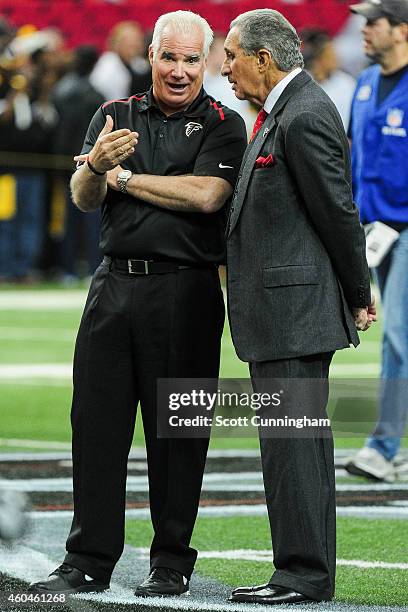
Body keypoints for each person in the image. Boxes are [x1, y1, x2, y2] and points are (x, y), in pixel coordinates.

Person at [29, 10, 247, 597]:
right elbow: (81, 196)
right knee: (94, 426)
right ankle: (88, 558)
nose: (178, 71)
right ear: (150, 54)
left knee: (178, 431)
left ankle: (171, 560)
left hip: (188, 290)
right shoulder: (111, 115)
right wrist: (99, 168)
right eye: (168, 57)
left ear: (206, 61)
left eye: (191, 59)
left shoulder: (225, 124)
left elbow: (206, 196)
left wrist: (122, 179)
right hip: (113, 284)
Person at [222, 9, 374, 605]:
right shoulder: (286, 110)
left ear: (264, 57)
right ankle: (303, 572)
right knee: (294, 447)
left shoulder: (304, 113)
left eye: (232, 54)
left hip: (294, 312)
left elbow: (338, 211)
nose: (225, 66)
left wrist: (358, 292)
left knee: (294, 449)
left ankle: (302, 575)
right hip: (284, 311)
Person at [345, 0, 408, 483]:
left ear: (401, 31)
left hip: (405, 229)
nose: (364, 30)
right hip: (373, 231)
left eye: (375, 23)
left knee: (396, 333)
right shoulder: (364, 84)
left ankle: (384, 446)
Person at [301, 28, 356, 129]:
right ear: (318, 59)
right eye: (330, 55)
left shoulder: (347, 83)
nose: (336, 58)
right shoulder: (300, 83)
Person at [90, 21, 151, 101]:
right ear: (116, 43)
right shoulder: (108, 68)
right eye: (129, 41)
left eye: (138, 40)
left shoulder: (138, 64)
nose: (135, 45)